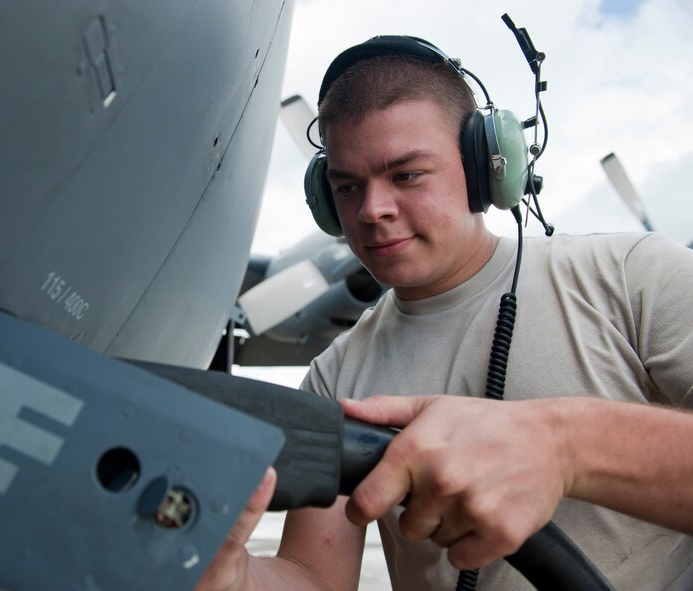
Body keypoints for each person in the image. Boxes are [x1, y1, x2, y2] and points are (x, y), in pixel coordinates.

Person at [198, 35, 693, 590]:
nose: (372, 210)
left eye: (406, 175)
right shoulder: (334, 378)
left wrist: (564, 446)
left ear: (486, 169)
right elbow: (314, 577)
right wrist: (235, 577)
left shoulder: (632, 277)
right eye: (346, 186)